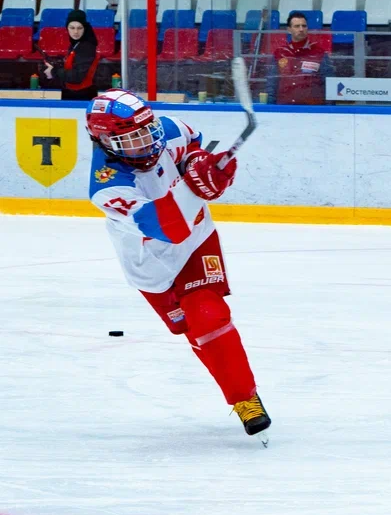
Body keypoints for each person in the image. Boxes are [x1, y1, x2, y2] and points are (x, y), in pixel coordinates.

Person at [85, 90, 271, 444]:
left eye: (147, 131)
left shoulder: (170, 129)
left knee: (208, 314)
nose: (146, 142)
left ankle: (245, 398)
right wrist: (195, 184)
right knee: (190, 328)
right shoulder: (108, 186)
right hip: (151, 265)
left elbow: (193, 150)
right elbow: (168, 227)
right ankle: (236, 386)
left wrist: (204, 166)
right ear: (105, 141)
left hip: (197, 241)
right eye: (132, 139)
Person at [267, 10, 333, 104]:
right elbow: (272, 84)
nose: (301, 29)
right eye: (297, 26)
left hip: (312, 110)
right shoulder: (279, 53)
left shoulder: (319, 53)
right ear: (289, 30)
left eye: (304, 26)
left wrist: (329, 109)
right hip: (283, 109)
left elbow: (328, 83)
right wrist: (270, 107)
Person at [42, 8, 100, 100]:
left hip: (82, 95)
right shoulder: (76, 43)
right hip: (73, 92)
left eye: (79, 28)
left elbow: (77, 77)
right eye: (72, 28)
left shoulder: (86, 46)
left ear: (85, 28)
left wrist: (54, 72)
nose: (75, 32)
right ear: (67, 28)